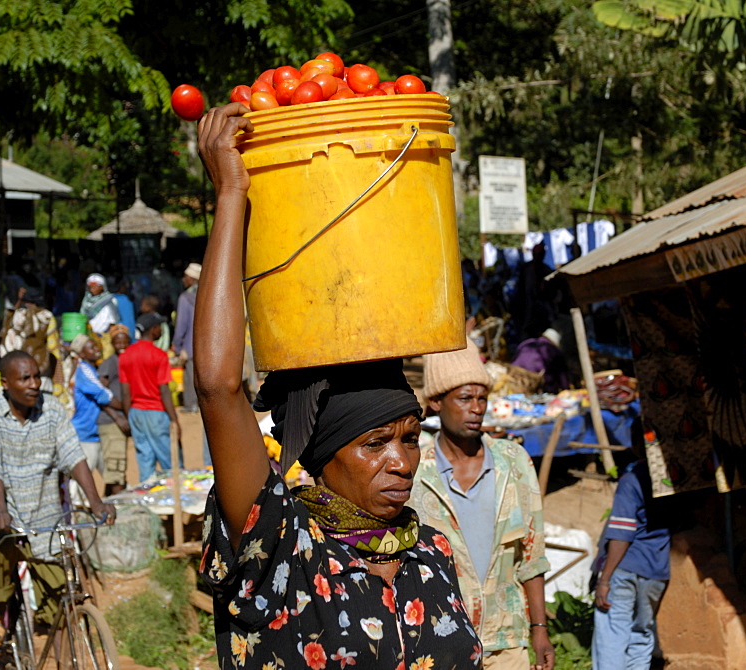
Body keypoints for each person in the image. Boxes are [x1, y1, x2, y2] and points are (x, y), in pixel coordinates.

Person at [194, 104, 482, 669]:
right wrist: (231, 193)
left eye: (409, 438)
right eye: (375, 444)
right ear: (324, 457)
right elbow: (217, 387)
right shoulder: (283, 549)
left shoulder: (431, 554)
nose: (402, 461)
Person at [411, 340, 554, 670]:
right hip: (443, 640)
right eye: (464, 398)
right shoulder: (417, 472)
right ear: (436, 402)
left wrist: (539, 629)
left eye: (482, 398)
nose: (476, 408)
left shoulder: (513, 462)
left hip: (507, 642)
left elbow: (531, 555)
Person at [0, 350, 116, 647]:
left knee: (60, 590)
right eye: (25, 378)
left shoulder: (52, 409)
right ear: (4, 383)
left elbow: (73, 455)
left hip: (45, 511)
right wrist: (0, 509)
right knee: (1, 543)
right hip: (1, 507)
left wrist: (96, 502)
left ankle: (60, 645)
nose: (34, 383)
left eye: (37, 376)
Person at [592, 447, 671, 670]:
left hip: (625, 567)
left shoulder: (633, 479)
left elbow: (622, 534)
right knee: (641, 634)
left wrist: (604, 579)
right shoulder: (672, 477)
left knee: (612, 635)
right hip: (656, 569)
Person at [120, 313, 180, 480]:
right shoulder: (159, 355)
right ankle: (177, 499)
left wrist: (129, 416)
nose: (161, 330)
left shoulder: (126, 355)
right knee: (170, 462)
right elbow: (165, 391)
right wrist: (174, 420)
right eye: (159, 327)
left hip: (136, 412)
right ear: (153, 330)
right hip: (157, 413)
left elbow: (125, 391)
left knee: (145, 463)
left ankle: (148, 499)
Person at [70, 333, 130, 489]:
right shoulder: (84, 371)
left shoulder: (93, 369)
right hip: (85, 432)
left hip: (95, 432)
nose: (97, 349)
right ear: (82, 354)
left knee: (112, 474)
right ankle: (78, 511)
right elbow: (103, 396)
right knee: (82, 479)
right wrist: (129, 407)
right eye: (91, 347)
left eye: (96, 345)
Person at [0, 286, 63, 391]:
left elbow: (4, 335)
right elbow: (53, 345)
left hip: (17, 368)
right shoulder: (46, 316)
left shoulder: (16, 315)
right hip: (39, 366)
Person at [96, 324, 132, 495]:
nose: (121, 346)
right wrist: (117, 417)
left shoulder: (127, 360)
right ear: (112, 343)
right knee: (115, 468)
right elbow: (100, 395)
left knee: (116, 466)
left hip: (121, 419)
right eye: (117, 343)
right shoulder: (109, 364)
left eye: (124, 342)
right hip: (111, 421)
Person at [172, 262, 201, 413]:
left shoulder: (185, 298)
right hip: (207, 346)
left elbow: (181, 324)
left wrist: (177, 345)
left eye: (186, 277)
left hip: (190, 345)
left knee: (190, 376)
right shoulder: (206, 295)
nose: (183, 280)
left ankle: (191, 405)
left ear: (192, 279)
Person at [512, 327, 569, 392]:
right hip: (536, 381)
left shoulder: (526, 343)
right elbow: (562, 376)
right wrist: (566, 390)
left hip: (515, 378)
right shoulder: (554, 350)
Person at [80, 273, 121, 338]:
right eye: (90, 287)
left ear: (102, 287)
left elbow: (113, 321)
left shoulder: (109, 300)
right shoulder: (86, 300)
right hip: (89, 334)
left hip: (104, 335)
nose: (92, 289)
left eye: (95, 287)